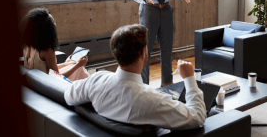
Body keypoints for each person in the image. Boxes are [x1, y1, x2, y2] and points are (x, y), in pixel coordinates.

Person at [64, 24, 207, 130]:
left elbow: (68, 96)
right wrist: (189, 79)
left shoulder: (97, 79)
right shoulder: (151, 100)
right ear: (144, 53)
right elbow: (198, 117)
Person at [20, 8, 89, 81]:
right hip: (48, 84)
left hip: (35, 81)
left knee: (73, 65)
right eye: (52, 23)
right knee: (79, 69)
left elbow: (47, 69)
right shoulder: (47, 50)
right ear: (46, 28)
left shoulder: (28, 45)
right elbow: (57, 77)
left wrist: (68, 63)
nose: (55, 25)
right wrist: (77, 65)